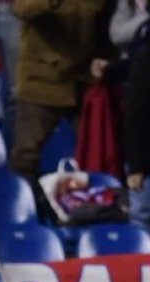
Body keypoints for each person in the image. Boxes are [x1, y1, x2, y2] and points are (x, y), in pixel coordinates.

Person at [8, 0, 112, 184]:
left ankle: (97, 206)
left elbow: (106, 27)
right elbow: (22, 8)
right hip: (40, 81)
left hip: (84, 80)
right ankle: (24, 207)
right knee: (26, 155)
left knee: (99, 150)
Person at [127, 28, 150, 232]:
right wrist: (136, 166)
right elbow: (136, 112)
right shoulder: (146, 57)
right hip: (146, 162)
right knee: (142, 219)